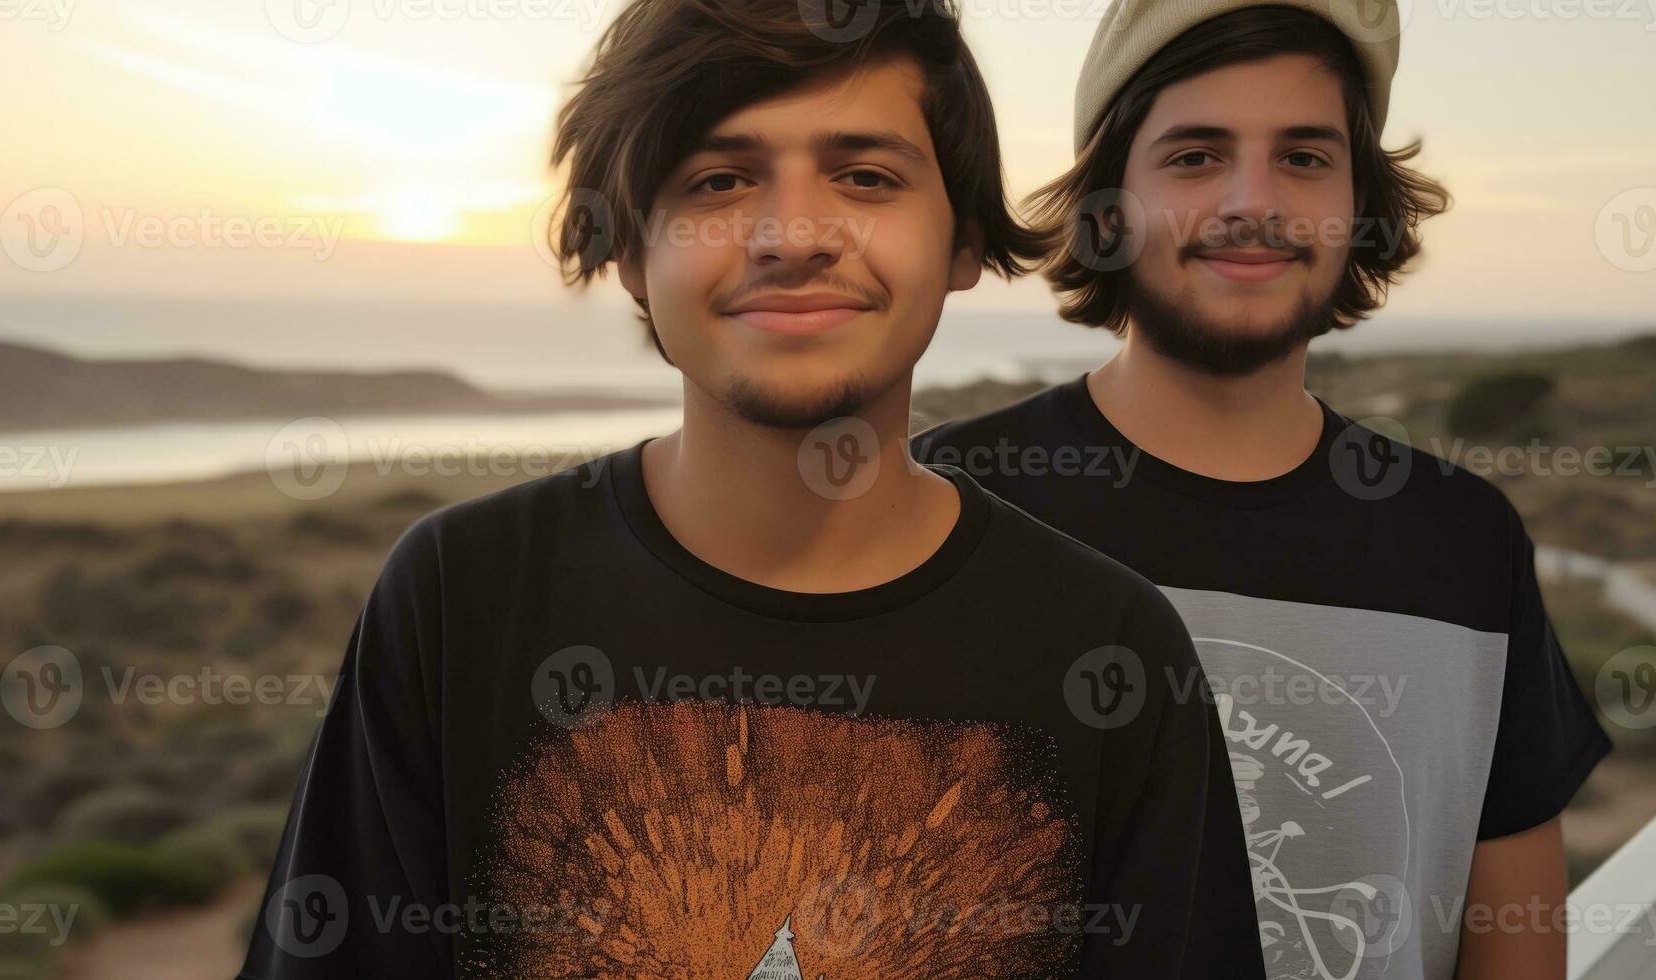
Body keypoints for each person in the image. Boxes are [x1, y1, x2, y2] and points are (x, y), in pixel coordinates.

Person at [238, 1, 1267, 978]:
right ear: (630, 250)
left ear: (959, 242)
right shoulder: (462, 594)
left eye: (865, 176)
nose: (792, 235)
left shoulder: (1111, 645)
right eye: (719, 181)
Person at [910, 3, 1613, 979]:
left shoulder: (1464, 538)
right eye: (1196, 156)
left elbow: (1514, 936)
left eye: (1305, 157)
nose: (1255, 201)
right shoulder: (947, 503)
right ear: (1109, 207)